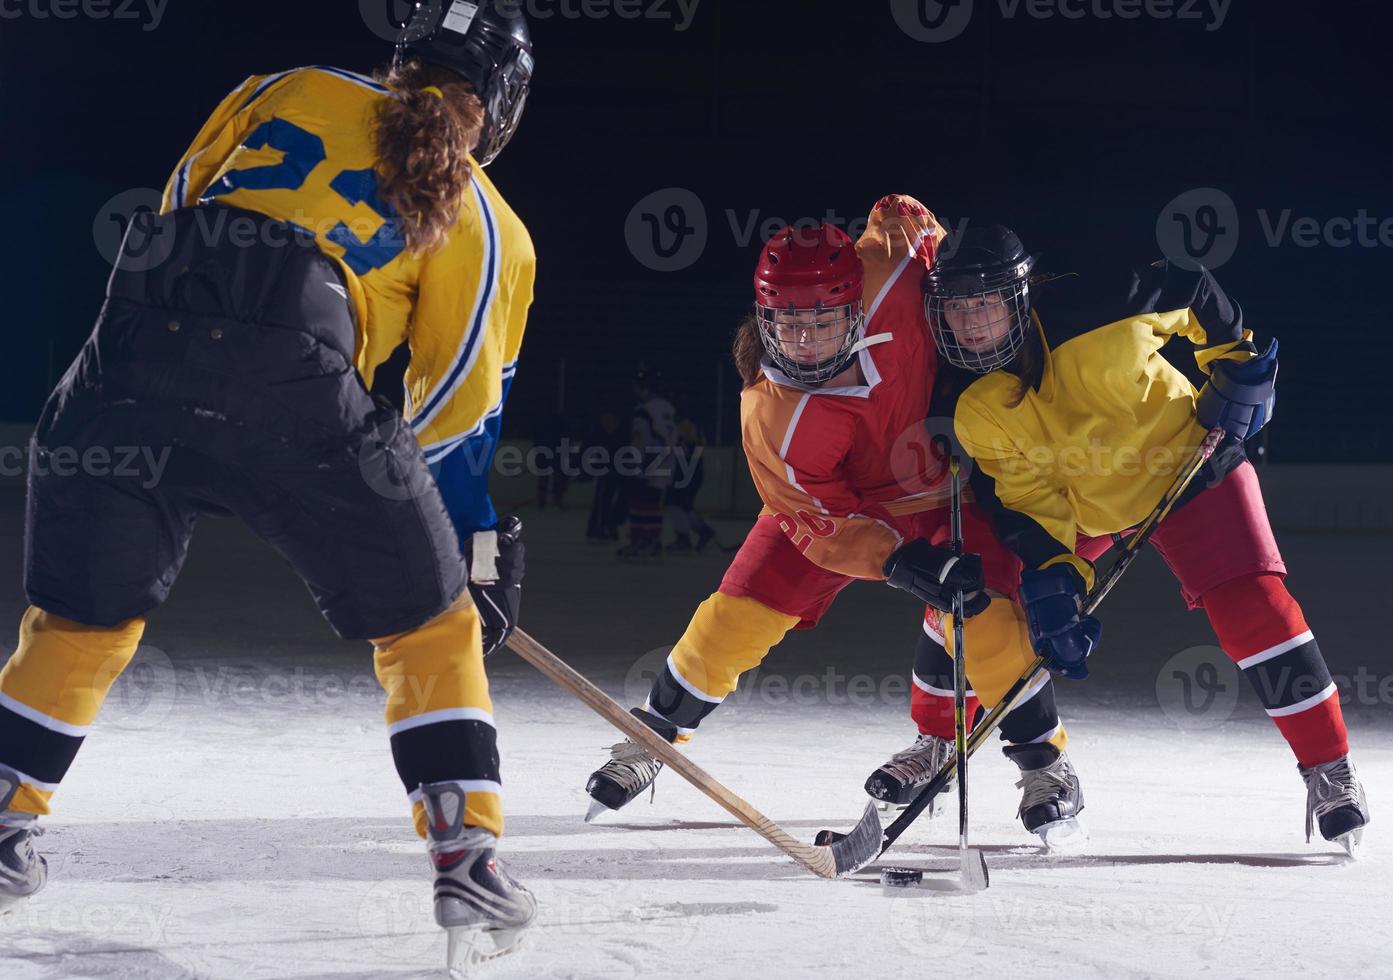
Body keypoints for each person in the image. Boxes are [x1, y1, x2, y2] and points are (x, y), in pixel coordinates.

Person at [0, 2, 539, 960]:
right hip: (292, 387)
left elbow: (175, 213)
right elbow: (455, 410)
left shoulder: (287, 88)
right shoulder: (490, 224)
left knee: (82, 619)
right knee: (429, 626)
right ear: (500, 104)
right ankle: (467, 858)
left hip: (124, 361)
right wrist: (466, 555)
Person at [585, 198, 1087, 845]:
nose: (802, 340)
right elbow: (816, 522)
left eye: (821, 323)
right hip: (836, 514)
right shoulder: (769, 414)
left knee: (979, 612)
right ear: (763, 318)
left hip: (939, 494)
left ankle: (1046, 767)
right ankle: (650, 738)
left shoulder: (894, 274)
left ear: (852, 310)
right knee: (734, 617)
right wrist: (899, 562)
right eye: (786, 324)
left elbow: (905, 214)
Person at [927, 224, 1370, 851]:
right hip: (1089, 508)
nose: (970, 323)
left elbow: (1192, 288)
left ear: (1019, 297)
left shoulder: (1107, 302)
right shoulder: (972, 401)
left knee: (1255, 609)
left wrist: (1234, 361)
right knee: (988, 600)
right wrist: (1054, 574)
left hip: (1191, 469)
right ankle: (1003, 760)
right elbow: (1026, 497)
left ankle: (1330, 769)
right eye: (956, 307)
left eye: (985, 303)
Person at [616, 366, 677, 562]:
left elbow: (639, 438)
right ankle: (652, 542)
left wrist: (633, 463)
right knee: (653, 503)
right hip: (666, 459)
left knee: (641, 504)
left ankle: (642, 542)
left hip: (648, 461)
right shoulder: (667, 406)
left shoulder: (643, 411)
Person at [665, 391, 716, 554]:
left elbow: (690, 446)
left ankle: (685, 538)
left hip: (688, 471)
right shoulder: (692, 423)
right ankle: (702, 531)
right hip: (691, 470)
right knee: (682, 505)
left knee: (675, 503)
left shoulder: (684, 424)